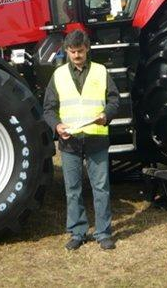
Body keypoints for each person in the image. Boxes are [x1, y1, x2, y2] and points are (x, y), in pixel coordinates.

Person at [43, 30, 120, 251]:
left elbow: (114, 100)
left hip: (96, 138)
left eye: (80, 51)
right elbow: (48, 109)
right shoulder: (58, 75)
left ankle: (104, 233)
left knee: (101, 188)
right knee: (73, 189)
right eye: (72, 51)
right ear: (66, 51)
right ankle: (78, 232)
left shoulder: (100, 71)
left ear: (87, 49)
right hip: (69, 142)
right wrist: (57, 126)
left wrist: (106, 115)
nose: (76, 55)